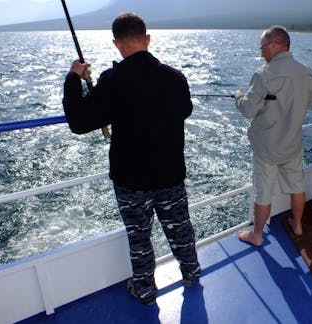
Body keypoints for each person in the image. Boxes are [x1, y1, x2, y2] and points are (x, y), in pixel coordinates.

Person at [62, 12, 201, 305]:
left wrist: (74, 79)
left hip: (131, 182)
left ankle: (146, 290)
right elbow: (185, 110)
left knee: (139, 238)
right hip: (170, 176)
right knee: (181, 229)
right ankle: (191, 273)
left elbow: (79, 122)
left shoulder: (112, 81)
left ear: (116, 44)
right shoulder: (175, 77)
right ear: (147, 39)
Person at [234, 25, 312, 246]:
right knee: (297, 186)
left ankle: (257, 235)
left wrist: (238, 96)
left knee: (263, 192)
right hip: (292, 144)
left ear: (275, 44)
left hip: (267, 148)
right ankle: (298, 225)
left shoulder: (264, 75)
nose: (261, 52)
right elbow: (310, 103)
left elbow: (248, 110)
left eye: (262, 47)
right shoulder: (308, 72)